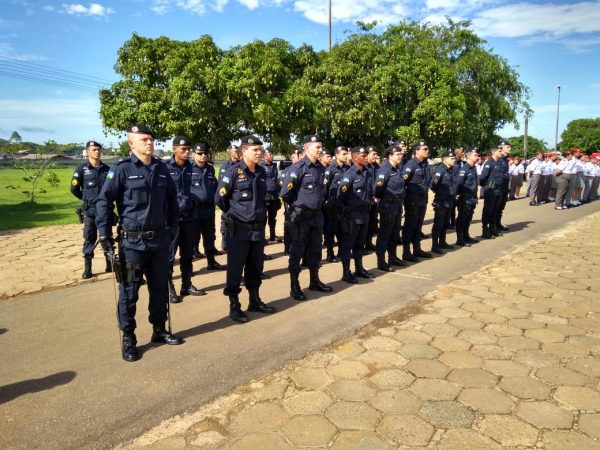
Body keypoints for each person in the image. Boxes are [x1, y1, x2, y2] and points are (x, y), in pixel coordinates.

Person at [96, 125, 183, 362]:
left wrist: (172, 228)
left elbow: (172, 202)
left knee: (159, 289)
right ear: (131, 143)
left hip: (159, 243)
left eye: (151, 138)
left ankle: (159, 329)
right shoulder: (121, 169)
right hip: (133, 245)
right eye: (144, 139)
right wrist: (104, 234)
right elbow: (104, 202)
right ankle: (129, 338)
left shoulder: (161, 169)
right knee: (129, 292)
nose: (149, 142)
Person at [215, 135, 276, 323]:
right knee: (235, 268)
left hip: (257, 229)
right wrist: (236, 213)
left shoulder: (261, 172)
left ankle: (254, 300)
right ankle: (234, 305)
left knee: (255, 266)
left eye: (260, 149)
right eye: (255, 150)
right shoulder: (233, 172)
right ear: (244, 152)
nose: (259, 153)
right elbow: (220, 199)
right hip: (239, 230)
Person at [280, 135, 333, 300]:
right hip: (301, 217)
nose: (320, 150)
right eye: (317, 147)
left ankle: (314, 281)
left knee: (315, 250)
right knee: (297, 252)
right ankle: (294, 285)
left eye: (321, 147)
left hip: (317, 217)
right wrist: (297, 206)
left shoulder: (320, 168)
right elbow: (285, 193)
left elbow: (323, 191)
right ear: (307, 148)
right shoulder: (298, 168)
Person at [165, 136, 207, 303]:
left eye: (188, 149)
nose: (187, 152)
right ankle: (169, 287)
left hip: (189, 217)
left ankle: (186, 284)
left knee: (187, 254)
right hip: (172, 219)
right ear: (174, 149)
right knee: (169, 256)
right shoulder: (164, 168)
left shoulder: (190, 167)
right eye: (183, 149)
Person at [70, 140, 112, 279]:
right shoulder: (81, 170)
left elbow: (113, 188)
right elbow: (74, 189)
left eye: (99, 149)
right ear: (87, 152)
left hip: (105, 210)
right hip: (90, 211)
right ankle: (88, 269)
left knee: (107, 238)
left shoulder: (108, 170)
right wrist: (86, 199)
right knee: (89, 238)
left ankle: (110, 264)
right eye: (94, 150)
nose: (97, 152)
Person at [337, 146, 374, 283]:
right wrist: (346, 213)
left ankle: (359, 268)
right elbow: (340, 197)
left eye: (366, 155)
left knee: (360, 244)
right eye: (363, 156)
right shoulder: (349, 175)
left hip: (364, 214)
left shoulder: (367, 172)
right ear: (354, 158)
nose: (366, 158)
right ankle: (346, 272)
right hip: (352, 216)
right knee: (348, 245)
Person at [190, 143, 226, 271]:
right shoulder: (188, 169)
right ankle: (188, 267)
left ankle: (211, 262)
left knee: (209, 237)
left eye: (205, 153)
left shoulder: (210, 169)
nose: (203, 155)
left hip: (208, 210)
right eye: (200, 153)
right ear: (194, 154)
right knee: (192, 238)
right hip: (194, 210)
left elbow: (215, 186)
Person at [373, 144, 406, 271]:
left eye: (401, 154)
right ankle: (381, 261)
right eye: (397, 154)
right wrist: (381, 198)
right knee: (384, 234)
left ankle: (393, 257)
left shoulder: (397, 169)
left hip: (397, 205)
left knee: (394, 233)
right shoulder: (385, 170)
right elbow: (377, 188)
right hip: (388, 206)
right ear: (390, 156)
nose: (400, 156)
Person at [402, 141, 432, 262]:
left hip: (422, 199)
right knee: (410, 226)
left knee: (418, 226)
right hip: (412, 200)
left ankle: (417, 249)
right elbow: (403, 182)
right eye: (424, 149)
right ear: (417, 151)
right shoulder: (411, 165)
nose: (427, 151)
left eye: (427, 149)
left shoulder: (425, 164)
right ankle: (406, 252)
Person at [323, 145, 350, 262]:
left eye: (346, 154)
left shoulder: (348, 168)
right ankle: (330, 253)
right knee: (331, 230)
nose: (346, 156)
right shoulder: (330, 169)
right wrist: (326, 201)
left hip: (344, 204)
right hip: (332, 205)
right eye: (343, 154)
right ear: (337, 155)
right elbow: (325, 187)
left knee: (343, 229)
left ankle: (341, 251)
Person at [429, 150, 456, 254]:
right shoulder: (440, 170)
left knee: (445, 224)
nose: (453, 160)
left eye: (454, 158)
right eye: (451, 158)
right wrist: (441, 193)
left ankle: (442, 242)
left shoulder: (450, 170)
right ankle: (435, 246)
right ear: (445, 159)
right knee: (438, 224)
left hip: (449, 201)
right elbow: (433, 185)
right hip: (441, 201)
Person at [454, 148, 480, 246]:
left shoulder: (473, 168)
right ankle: (460, 239)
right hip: (465, 198)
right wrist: (457, 195)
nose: (477, 157)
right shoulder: (464, 169)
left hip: (472, 198)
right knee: (462, 218)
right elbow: (458, 184)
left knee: (468, 218)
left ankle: (466, 236)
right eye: (475, 155)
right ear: (469, 157)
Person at [217, 145, 241, 252]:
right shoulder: (225, 166)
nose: (237, 153)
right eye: (235, 151)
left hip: (238, 199)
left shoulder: (242, 165)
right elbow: (222, 184)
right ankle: (225, 241)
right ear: (230, 153)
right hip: (228, 198)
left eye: (238, 151)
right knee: (226, 221)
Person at [479, 146, 505, 238]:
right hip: (491, 190)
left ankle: (492, 228)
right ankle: (485, 230)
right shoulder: (489, 163)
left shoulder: (499, 163)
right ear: (494, 152)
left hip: (498, 190)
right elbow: (482, 177)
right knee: (488, 210)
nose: (501, 152)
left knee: (495, 210)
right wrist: (487, 186)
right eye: (499, 151)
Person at [261, 148, 282, 243]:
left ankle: (272, 236)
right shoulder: (261, 166)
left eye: (272, 154)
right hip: (265, 196)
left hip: (274, 196)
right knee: (263, 218)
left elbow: (276, 179)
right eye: (270, 154)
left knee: (272, 217)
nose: (272, 156)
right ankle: (262, 237)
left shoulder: (274, 166)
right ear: (265, 156)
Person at [365, 145, 380, 252]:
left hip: (376, 200)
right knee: (365, 224)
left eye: (376, 154)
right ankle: (362, 244)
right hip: (366, 200)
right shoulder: (364, 167)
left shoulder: (378, 167)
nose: (376, 156)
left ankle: (369, 243)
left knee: (372, 223)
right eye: (373, 154)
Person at [495, 140, 511, 231]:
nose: (510, 148)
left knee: (501, 207)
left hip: (504, 187)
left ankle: (498, 224)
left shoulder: (505, 159)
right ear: (502, 147)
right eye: (508, 147)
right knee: (496, 207)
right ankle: (494, 226)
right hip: (499, 187)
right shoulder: (499, 159)